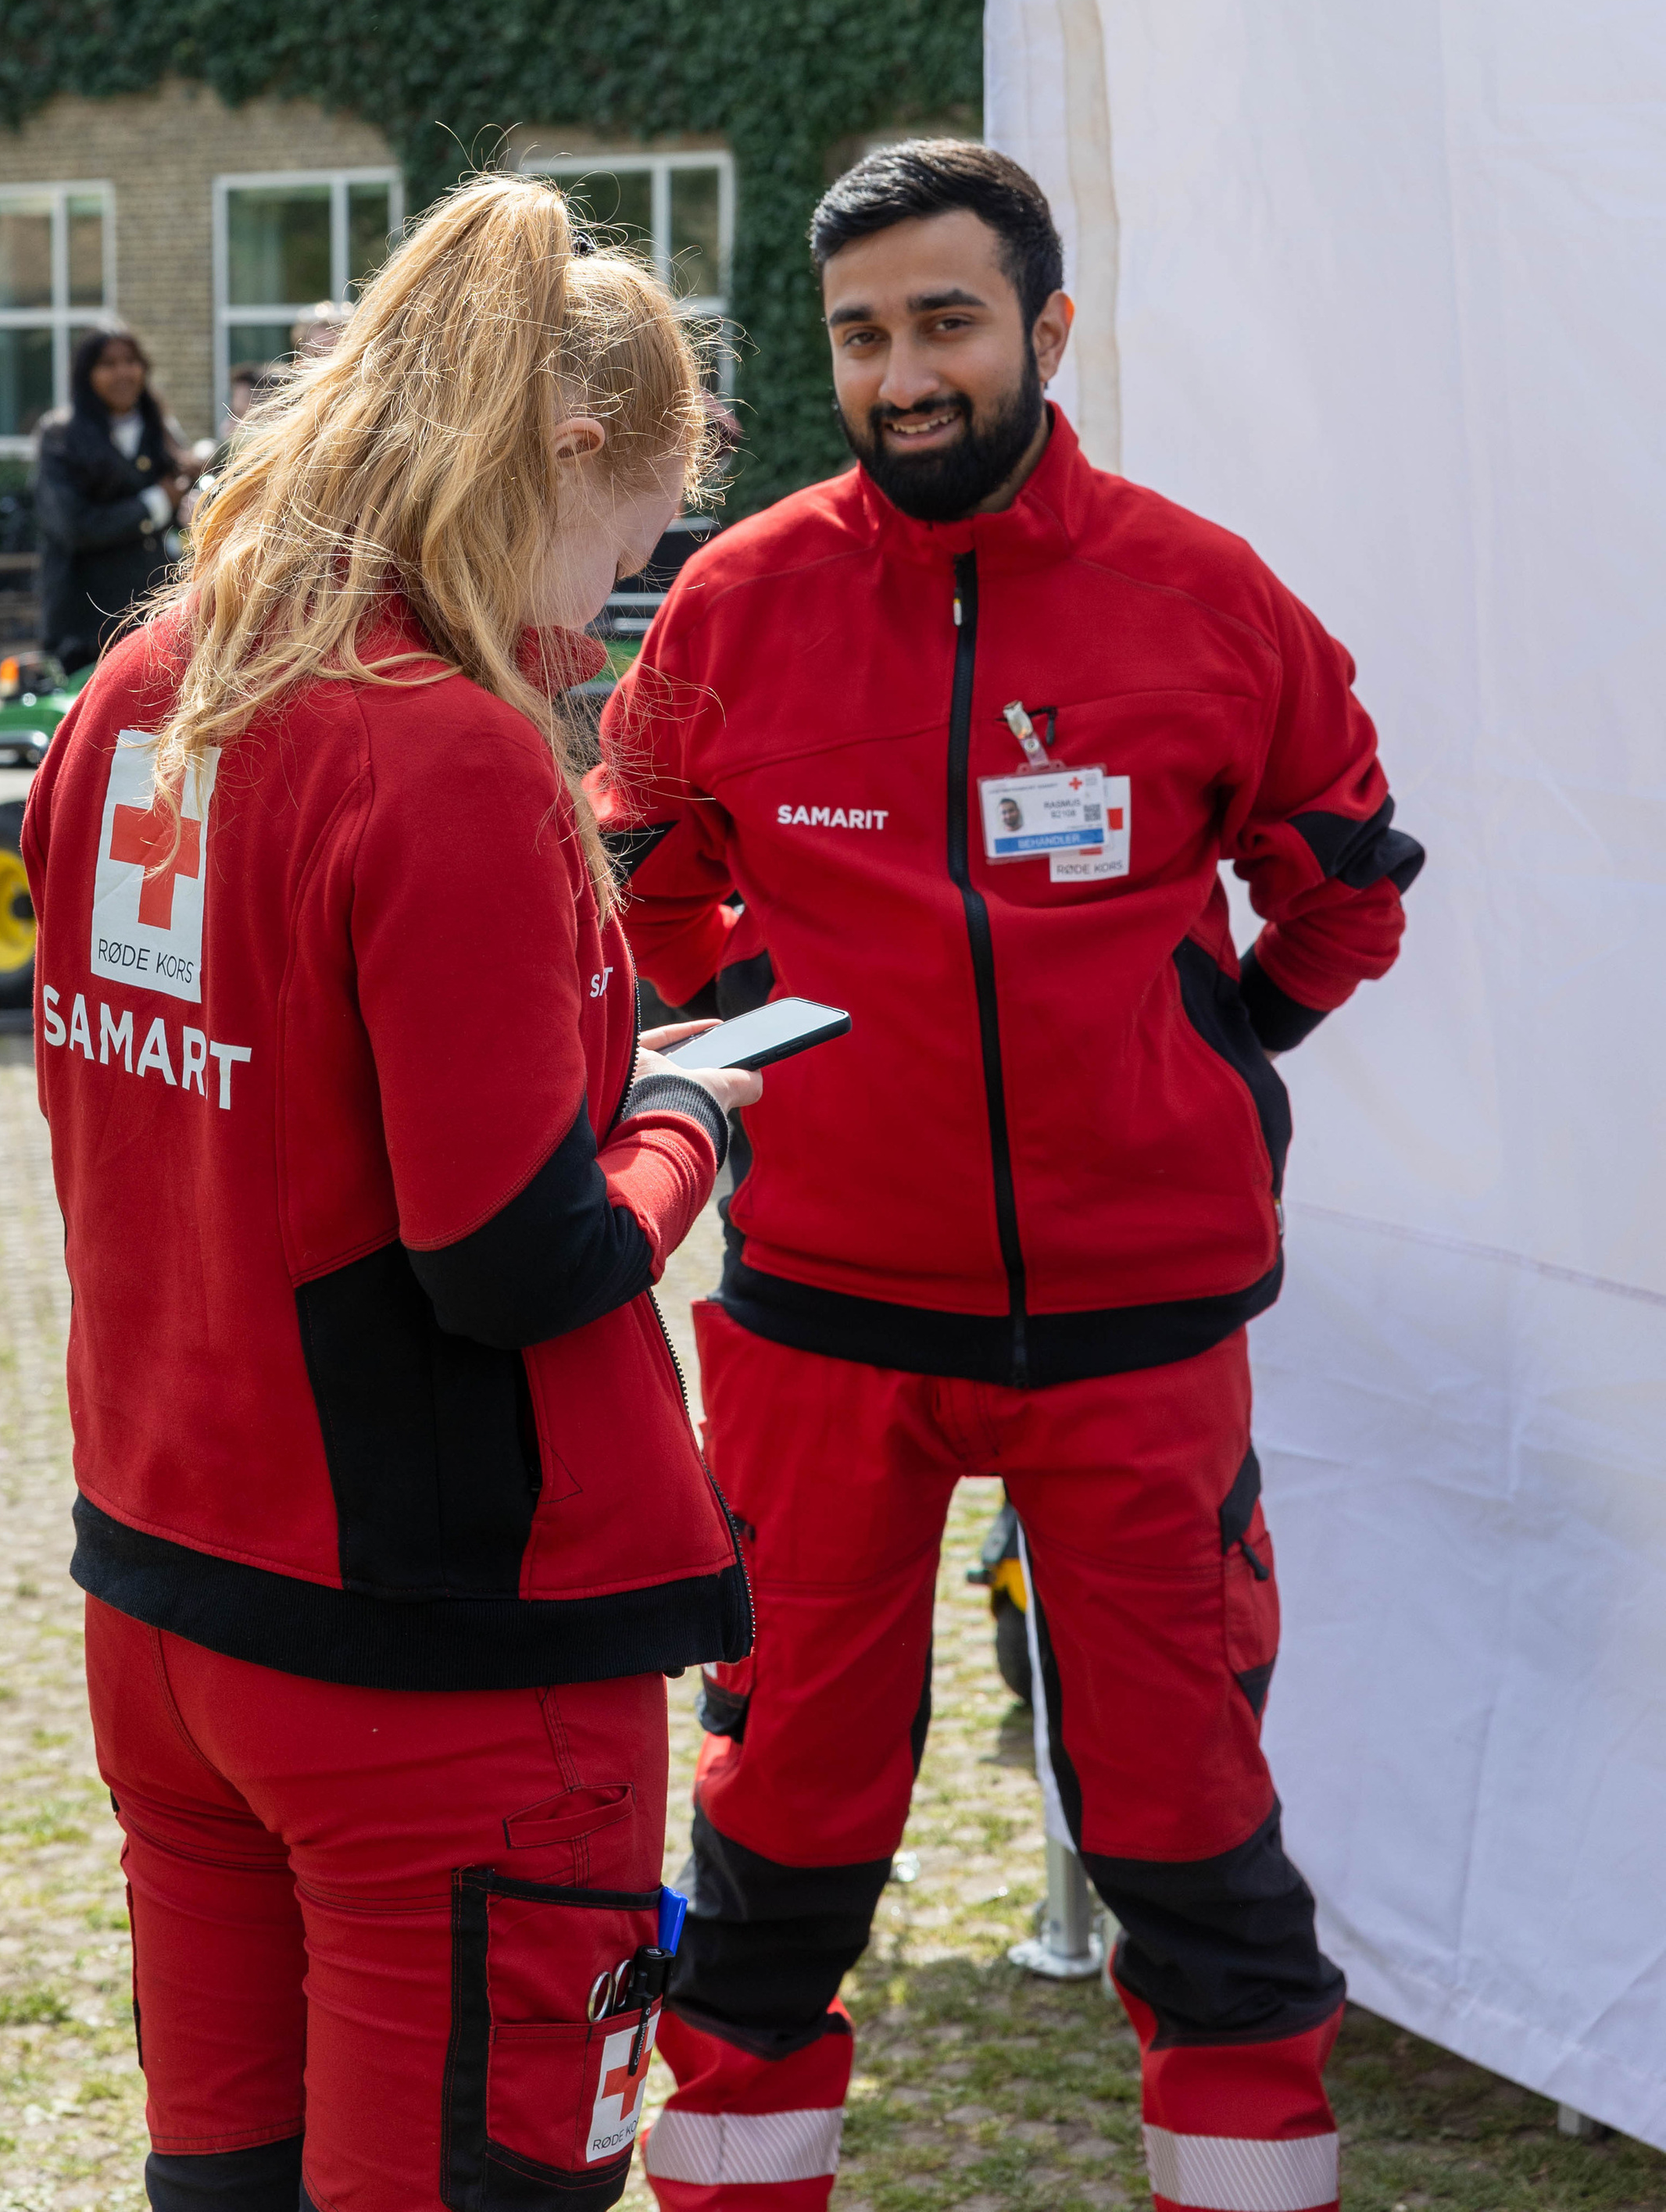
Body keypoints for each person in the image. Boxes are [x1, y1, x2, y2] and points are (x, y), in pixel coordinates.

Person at [590, 140, 1426, 2212]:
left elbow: (1344, 876)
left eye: (947, 321)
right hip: (824, 1327)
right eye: (863, 335)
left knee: (1192, 1847)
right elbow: (637, 874)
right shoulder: (738, 598)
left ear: (1048, 329)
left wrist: (1208, 1054)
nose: (904, 373)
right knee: (780, 1836)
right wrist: (762, 1015)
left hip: (1137, 1342)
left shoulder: (1202, 593)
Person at [20, 177, 760, 2212]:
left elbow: (150, 1122)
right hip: (431, 1655)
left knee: (231, 2184)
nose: (615, 612)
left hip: (172, 1599)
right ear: (577, 461)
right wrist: (695, 1117)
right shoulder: (444, 747)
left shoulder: (149, 683)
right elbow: (517, 1257)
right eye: (633, 553)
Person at [34, 328, 193, 672]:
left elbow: (182, 509)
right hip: (87, 626)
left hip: (155, 619)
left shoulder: (159, 429)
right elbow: (72, 526)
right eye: (108, 364)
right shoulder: (61, 436)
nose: (123, 373)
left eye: (131, 362)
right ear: (86, 373)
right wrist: (155, 503)